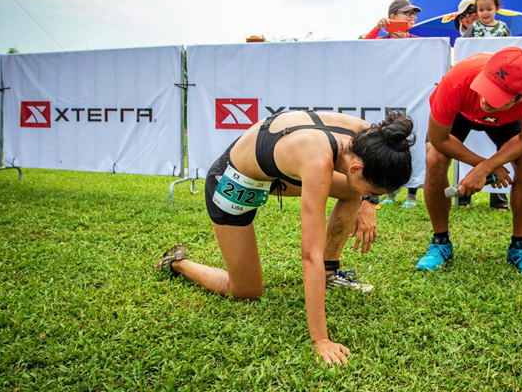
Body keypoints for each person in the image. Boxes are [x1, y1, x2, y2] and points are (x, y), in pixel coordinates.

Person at [155, 111, 415, 365]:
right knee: (246, 291)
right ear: (357, 168)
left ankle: (330, 273)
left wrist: (369, 201)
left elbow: (361, 182)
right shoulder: (316, 160)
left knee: (353, 193)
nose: (371, 195)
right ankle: (178, 262)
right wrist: (321, 340)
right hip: (233, 180)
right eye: (373, 189)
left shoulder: (370, 137)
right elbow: (309, 254)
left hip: (276, 171)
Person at [416, 47, 522, 278]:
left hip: (509, 119)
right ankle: (440, 242)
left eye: (497, 97)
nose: (486, 100)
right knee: (435, 158)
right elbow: (439, 139)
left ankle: (520, 246)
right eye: (485, 89)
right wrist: (483, 165)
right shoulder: (457, 79)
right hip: (462, 112)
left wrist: (485, 168)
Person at [457, 0, 512, 211]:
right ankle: (463, 197)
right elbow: (463, 53)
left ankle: (500, 199)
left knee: (505, 149)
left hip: (501, 92)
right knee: (461, 147)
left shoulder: (504, 29)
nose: (483, 13)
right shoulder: (472, 30)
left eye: (488, 9)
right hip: (473, 92)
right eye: (480, 10)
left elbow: (511, 53)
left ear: (496, 8)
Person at [363, 0, 421, 208]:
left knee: (412, 141)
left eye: (414, 14)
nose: (411, 17)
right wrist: (377, 29)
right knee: (388, 143)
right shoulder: (382, 40)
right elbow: (361, 50)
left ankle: (412, 194)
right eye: (406, 13)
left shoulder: (418, 40)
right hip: (387, 99)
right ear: (392, 17)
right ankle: (390, 192)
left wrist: (404, 40)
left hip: (413, 99)